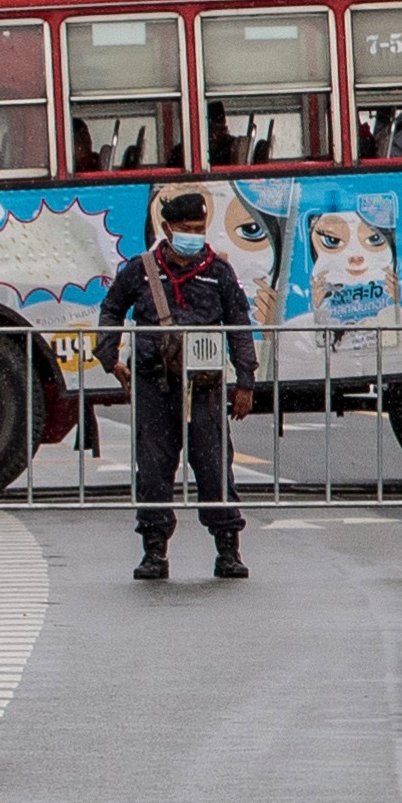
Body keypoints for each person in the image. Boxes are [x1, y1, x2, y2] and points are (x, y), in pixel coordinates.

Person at [96, 190, 264, 585]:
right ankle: (154, 550)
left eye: (200, 229)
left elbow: (239, 326)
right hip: (154, 384)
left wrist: (246, 382)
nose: (194, 236)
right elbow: (111, 309)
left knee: (213, 465)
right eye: (186, 229)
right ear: (167, 229)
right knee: (153, 468)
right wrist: (110, 359)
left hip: (205, 387)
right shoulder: (140, 271)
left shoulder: (219, 273)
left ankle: (228, 549)